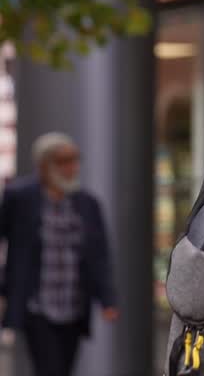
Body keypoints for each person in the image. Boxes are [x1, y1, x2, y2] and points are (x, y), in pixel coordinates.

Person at [0, 132, 118, 376]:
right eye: (64, 161)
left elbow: (99, 255)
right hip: (38, 306)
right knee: (49, 368)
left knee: (64, 368)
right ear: (44, 165)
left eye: (74, 160)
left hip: (74, 305)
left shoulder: (87, 204)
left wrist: (107, 298)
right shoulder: (20, 198)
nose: (71, 168)